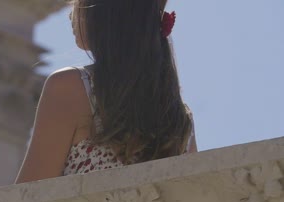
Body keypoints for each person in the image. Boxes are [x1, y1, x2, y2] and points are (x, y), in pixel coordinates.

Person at [15, 0, 197, 184]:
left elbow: (25, 200)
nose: (71, 13)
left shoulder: (69, 87)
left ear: (104, 10)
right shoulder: (181, 119)